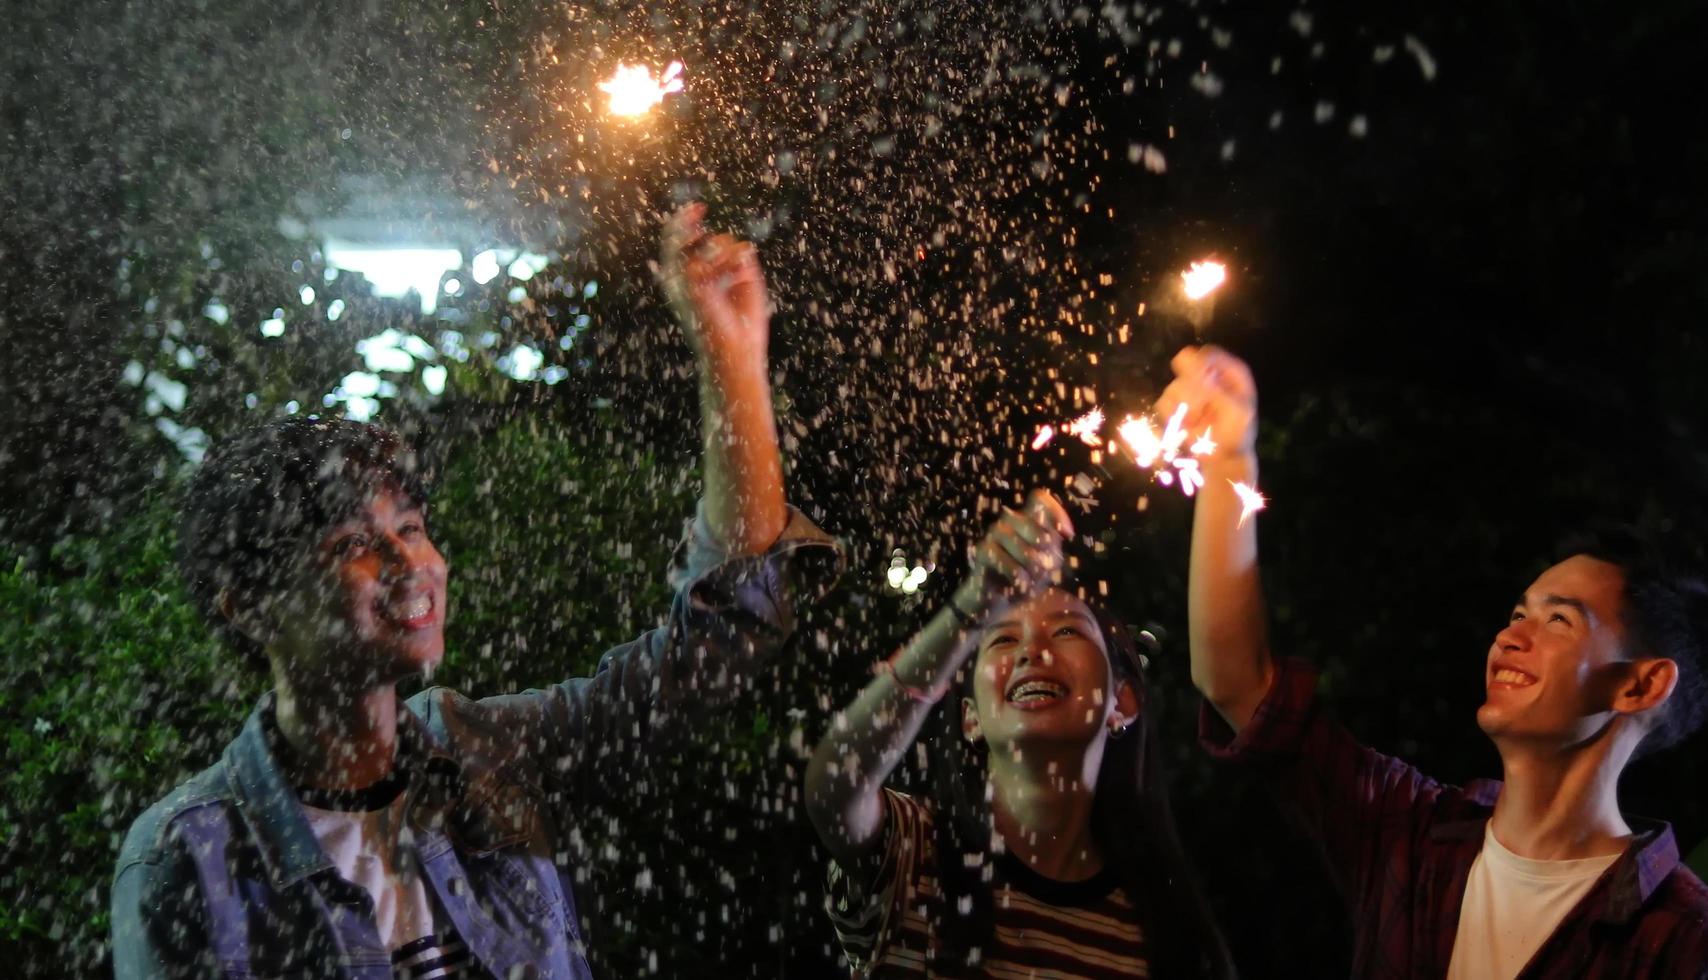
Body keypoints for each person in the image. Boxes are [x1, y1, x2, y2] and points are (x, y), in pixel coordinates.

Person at [110, 204, 841, 980]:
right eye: (354, 544)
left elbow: (714, 645)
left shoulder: (484, 754)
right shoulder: (190, 858)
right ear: (251, 606)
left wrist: (731, 360)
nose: (410, 562)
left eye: (413, 526)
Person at [1165, 344, 1708, 979]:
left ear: (1640, 685)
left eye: (1558, 620)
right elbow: (1237, 685)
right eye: (1517, 615)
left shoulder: (1693, 944)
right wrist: (1231, 457)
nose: (1509, 638)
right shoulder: (1412, 837)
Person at [805, 489, 1236, 978]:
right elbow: (835, 787)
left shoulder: (1163, 936)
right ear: (970, 718)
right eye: (1003, 638)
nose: (1033, 650)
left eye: (1069, 630)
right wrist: (975, 601)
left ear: (1121, 703)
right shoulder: (915, 855)